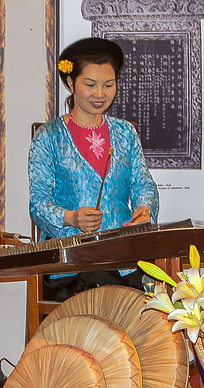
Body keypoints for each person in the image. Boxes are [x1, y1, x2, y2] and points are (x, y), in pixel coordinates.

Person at [28, 37, 159, 300]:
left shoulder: (125, 133)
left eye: (108, 85)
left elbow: (144, 185)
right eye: (90, 85)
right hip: (71, 265)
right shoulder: (49, 137)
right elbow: (38, 204)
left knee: (145, 305)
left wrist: (144, 210)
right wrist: (72, 218)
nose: (100, 94)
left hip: (123, 258)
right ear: (70, 83)